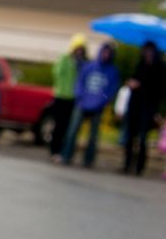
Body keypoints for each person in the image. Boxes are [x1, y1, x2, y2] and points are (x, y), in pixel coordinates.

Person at [60, 42, 120, 168]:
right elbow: (80, 83)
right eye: (104, 52)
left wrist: (101, 100)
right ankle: (66, 155)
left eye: (108, 53)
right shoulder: (89, 66)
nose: (105, 55)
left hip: (98, 106)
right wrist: (80, 96)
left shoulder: (112, 71)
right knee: (73, 130)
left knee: (93, 135)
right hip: (82, 103)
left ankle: (88, 160)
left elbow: (110, 91)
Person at [121, 40, 166, 176]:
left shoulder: (160, 67)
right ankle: (127, 164)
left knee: (142, 137)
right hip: (135, 106)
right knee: (130, 136)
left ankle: (139, 167)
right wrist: (132, 83)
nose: (147, 53)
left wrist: (141, 85)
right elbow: (134, 79)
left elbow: (161, 89)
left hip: (148, 107)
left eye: (150, 50)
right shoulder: (140, 64)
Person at [49, 34, 87, 162]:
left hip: (73, 98)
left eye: (81, 49)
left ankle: (64, 152)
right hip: (60, 96)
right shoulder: (64, 59)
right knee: (58, 125)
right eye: (77, 49)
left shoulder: (82, 63)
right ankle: (54, 151)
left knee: (67, 127)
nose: (79, 51)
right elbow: (57, 73)